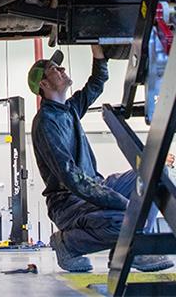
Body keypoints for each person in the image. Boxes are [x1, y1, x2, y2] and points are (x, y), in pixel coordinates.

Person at [28, 45, 174, 272]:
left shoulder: (69, 109)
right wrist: (120, 201)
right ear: (44, 85)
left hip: (96, 185)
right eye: (54, 69)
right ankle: (67, 244)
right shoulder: (46, 123)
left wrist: (97, 51)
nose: (62, 69)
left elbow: (96, 83)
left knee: (155, 173)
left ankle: (126, 250)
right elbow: (72, 178)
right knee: (126, 219)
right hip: (68, 203)